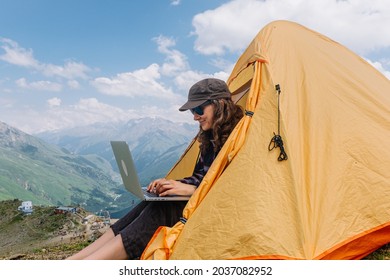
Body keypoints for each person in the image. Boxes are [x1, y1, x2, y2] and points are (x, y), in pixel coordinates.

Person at [66, 78, 243, 259]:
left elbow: (236, 188)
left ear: (220, 105)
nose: (195, 116)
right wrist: (174, 185)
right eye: (192, 110)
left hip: (219, 209)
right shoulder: (212, 136)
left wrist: (195, 190)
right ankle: (76, 260)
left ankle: (89, 265)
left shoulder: (240, 138)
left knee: (161, 210)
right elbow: (202, 175)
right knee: (151, 201)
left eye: (198, 109)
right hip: (201, 200)